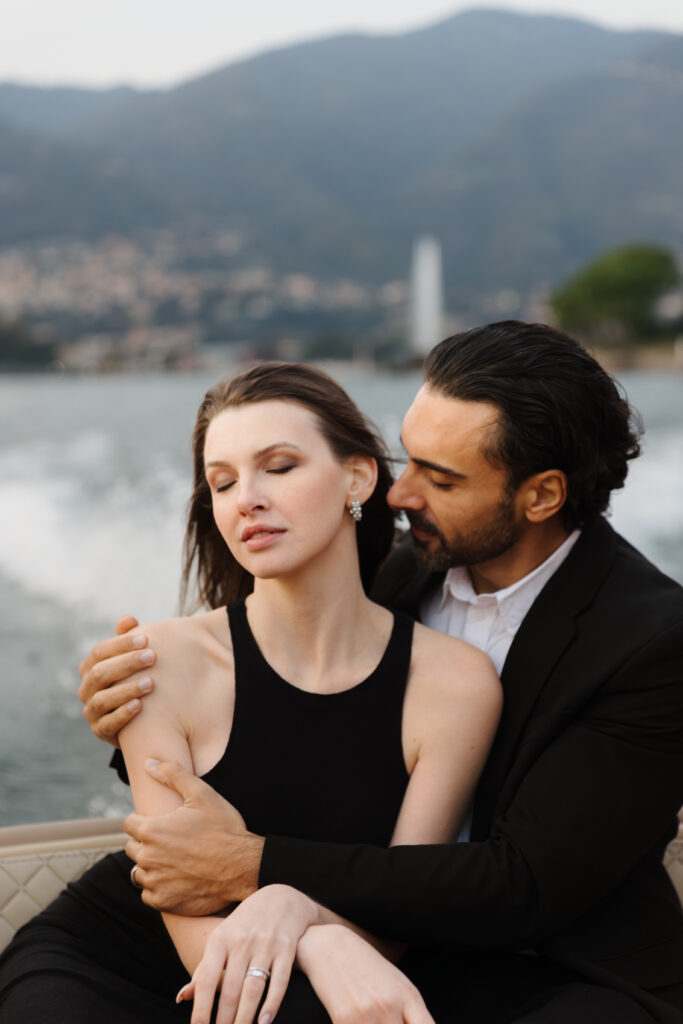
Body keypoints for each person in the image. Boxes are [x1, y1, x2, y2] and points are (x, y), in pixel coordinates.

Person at [78, 321, 683, 1024]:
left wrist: (260, 868)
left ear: (541, 496)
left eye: (441, 477)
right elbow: (266, 696)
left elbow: (524, 886)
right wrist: (131, 708)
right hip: (359, 931)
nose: (401, 496)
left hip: (561, 964)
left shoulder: (651, 640)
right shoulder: (400, 565)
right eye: (410, 460)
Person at [0, 362, 502, 1024]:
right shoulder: (160, 660)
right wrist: (320, 941)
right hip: (119, 959)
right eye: (222, 482)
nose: (247, 499)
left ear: (357, 477)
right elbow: (189, 926)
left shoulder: (454, 682)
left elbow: (404, 907)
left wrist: (313, 926)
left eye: (280, 466)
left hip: (315, 971)